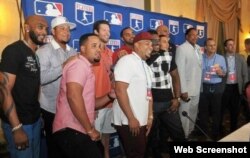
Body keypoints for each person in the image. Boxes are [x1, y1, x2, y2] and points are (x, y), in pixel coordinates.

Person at [52, 33, 115, 158]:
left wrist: (110, 96)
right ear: (83, 48)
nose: (98, 49)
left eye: (100, 46)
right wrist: (90, 129)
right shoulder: (78, 65)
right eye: (94, 46)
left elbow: (91, 104)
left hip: (77, 129)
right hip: (71, 130)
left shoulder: (85, 66)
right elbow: (73, 97)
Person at [0, 15, 48, 158]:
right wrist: (16, 127)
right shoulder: (13, 51)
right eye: (40, 27)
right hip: (19, 123)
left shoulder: (35, 54)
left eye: (46, 29)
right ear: (27, 28)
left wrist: (38, 115)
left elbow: (33, 87)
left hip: (34, 120)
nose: (45, 32)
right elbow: (4, 90)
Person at [36, 16, 77, 158]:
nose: (67, 32)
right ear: (53, 32)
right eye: (62, 28)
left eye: (68, 29)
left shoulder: (73, 52)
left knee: (69, 146)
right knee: (54, 147)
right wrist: (64, 66)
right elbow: (41, 78)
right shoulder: (44, 51)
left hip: (70, 106)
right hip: (51, 108)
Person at [113, 32, 153, 158]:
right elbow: (120, 90)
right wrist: (131, 118)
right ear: (136, 45)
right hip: (128, 120)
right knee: (135, 154)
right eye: (147, 43)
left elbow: (149, 93)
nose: (151, 46)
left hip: (141, 119)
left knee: (139, 153)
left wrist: (150, 117)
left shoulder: (146, 66)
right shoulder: (127, 61)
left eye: (152, 44)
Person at [145, 35, 186, 157]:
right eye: (154, 42)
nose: (157, 43)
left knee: (178, 133)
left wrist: (177, 98)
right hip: (151, 105)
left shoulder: (168, 55)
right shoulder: (142, 57)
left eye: (160, 41)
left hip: (169, 102)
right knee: (152, 136)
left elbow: (175, 76)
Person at [93, 20, 116, 158]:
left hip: (109, 101)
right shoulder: (91, 51)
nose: (107, 33)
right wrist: (92, 106)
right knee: (95, 138)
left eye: (109, 30)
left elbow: (110, 76)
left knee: (106, 136)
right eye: (104, 30)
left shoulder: (110, 52)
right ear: (96, 32)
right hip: (96, 103)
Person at [175, 28, 202, 139]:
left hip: (196, 88)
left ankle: (190, 132)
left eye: (196, 35)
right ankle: (184, 136)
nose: (195, 37)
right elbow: (180, 71)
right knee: (185, 114)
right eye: (192, 35)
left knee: (193, 113)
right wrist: (183, 90)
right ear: (186, 36)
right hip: (186, 90)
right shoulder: (181, 49)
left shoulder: (198, 48)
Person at [197, 38, 227, 141]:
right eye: (210, 45)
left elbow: (224, 73)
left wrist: (220, 73)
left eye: (214, 45)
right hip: (204, 87)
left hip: (216, 88)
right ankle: (204, 131)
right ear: (205, 47)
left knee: (216, 111)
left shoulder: (220, 58)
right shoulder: (200, 57)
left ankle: (215, 132)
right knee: (203, 111)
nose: (213, 47)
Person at [221, 39, 248, 132]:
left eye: (233, 44)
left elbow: (245, 74)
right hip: (225, 87)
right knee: (221, 109)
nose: (232, 46)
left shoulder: (240, 58)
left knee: (235, 110)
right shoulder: (221, 58)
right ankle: (220, 128)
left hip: (236, 87)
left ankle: (233, 129)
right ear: (225, 47)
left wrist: (245, 88)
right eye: (230, 45)